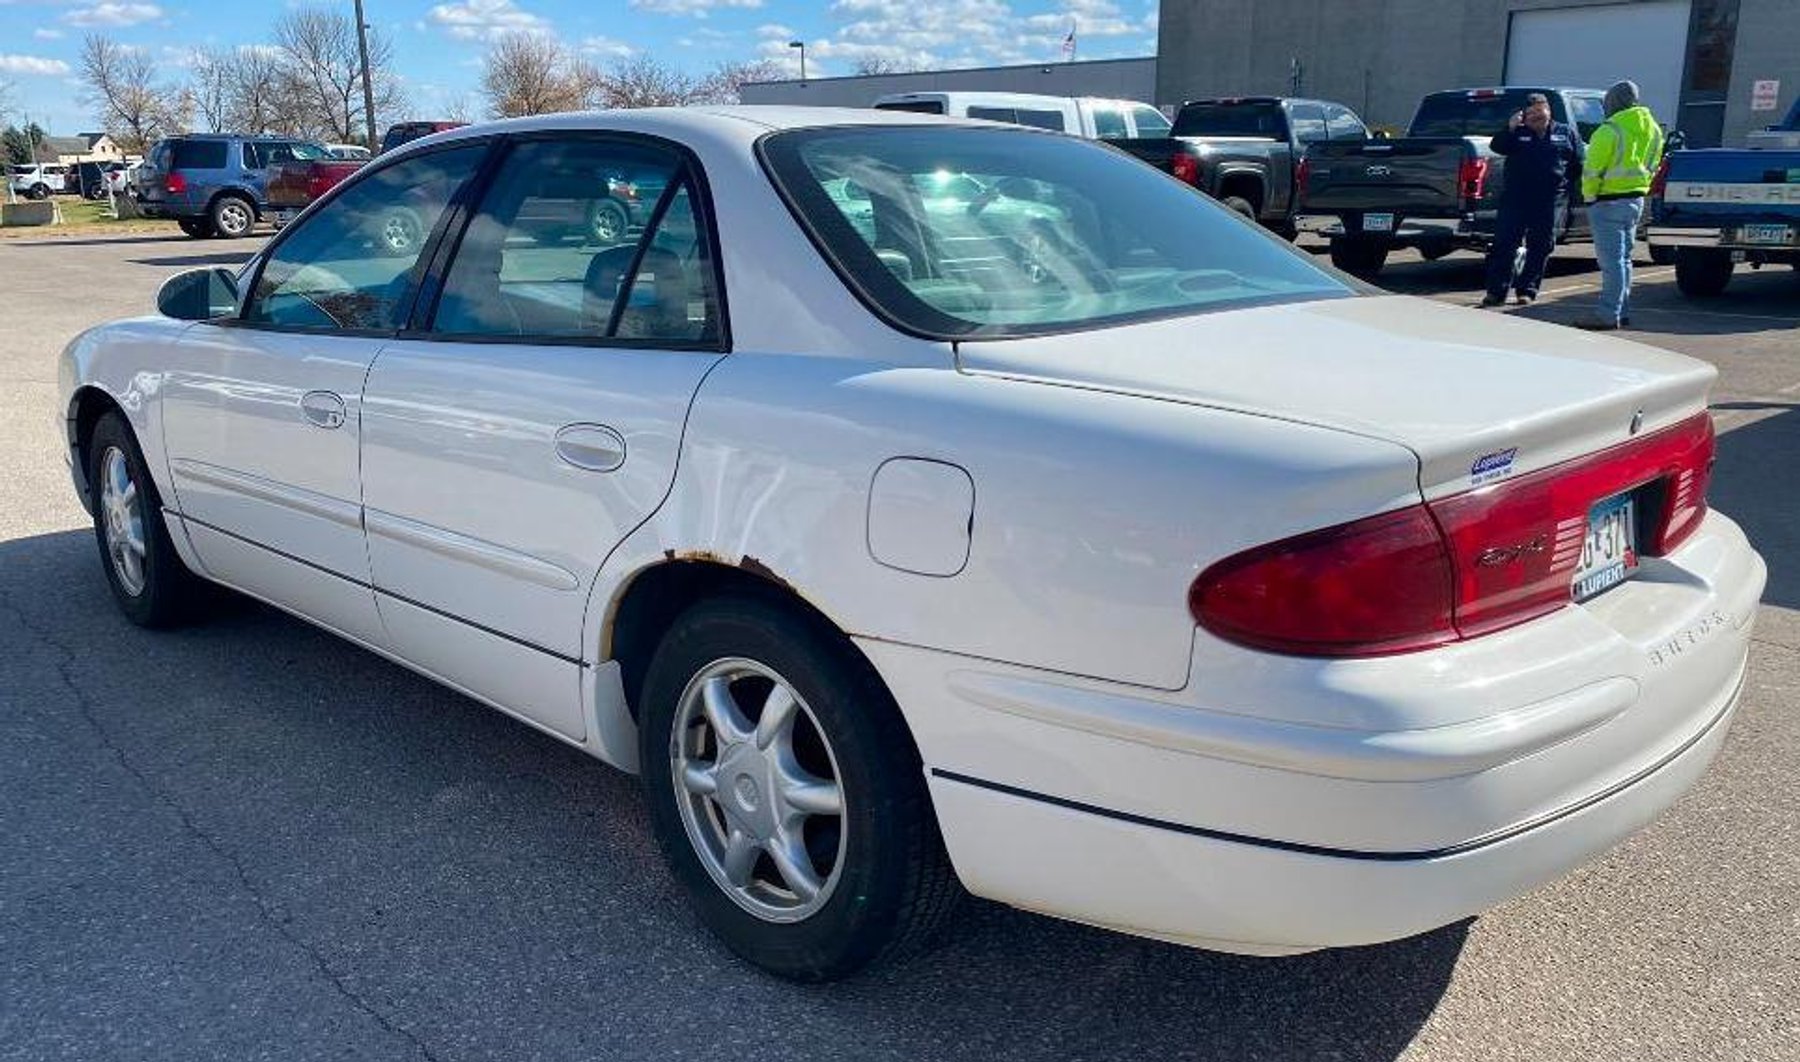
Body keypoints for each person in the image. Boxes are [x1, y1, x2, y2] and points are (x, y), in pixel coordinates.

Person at [1575, 80, 1665, 330]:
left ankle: (1607, 314)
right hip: (1635, 200)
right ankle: (1620, 310)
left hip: (1607, 202)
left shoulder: (1609, 130)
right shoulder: (1653, 130)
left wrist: (1590, 197)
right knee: (1624, 260)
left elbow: (1592, 170)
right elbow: (1653, 164)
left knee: (1611, 262)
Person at [1481, 93, 1583, 308]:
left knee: (1540, 246)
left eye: (1540, 111)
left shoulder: (1565, 133)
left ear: (1549, 111)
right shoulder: (1517, 132)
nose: (1537, 116)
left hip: (1549, 200)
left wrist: (1564, 188)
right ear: (1524, 115)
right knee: (1505, 244)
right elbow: (1497, 146)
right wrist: (1510, 127)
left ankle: (1526, 290)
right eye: (1532, 113)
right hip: (1516, 198)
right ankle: (1495, 293)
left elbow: (1576, 164)